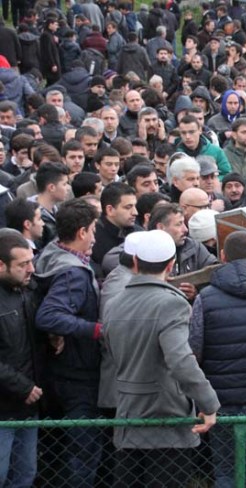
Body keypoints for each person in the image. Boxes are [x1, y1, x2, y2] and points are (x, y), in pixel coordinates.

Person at [102, 229, 220, 486]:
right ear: (171, 265)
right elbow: (181, 360)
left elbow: (113, 352)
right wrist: (209, 403)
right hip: (167, 419)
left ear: (135, 262)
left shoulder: (114, 304)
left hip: (128, 416)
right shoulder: (172, 304)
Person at [190, 230, 246, 488]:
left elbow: (194, 349)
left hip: (220, 400)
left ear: (222, 256)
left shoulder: (205, 298)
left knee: (226, 471)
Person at [34, 199, 102, 488]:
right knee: (83, 452)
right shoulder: (73, 272)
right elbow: (48, 316)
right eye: (93, 230)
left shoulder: (50, 254)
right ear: (82, 232)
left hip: (56, 369)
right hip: (77, 375)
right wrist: (95, 329)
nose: (95, 237)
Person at [0, 229, 42, 487]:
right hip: (5, 408)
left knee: (25, 475)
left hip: (28, 406)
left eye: (31, 262)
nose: (31, 269)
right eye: (23, 264)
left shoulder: (27, 291)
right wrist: (22, 387)